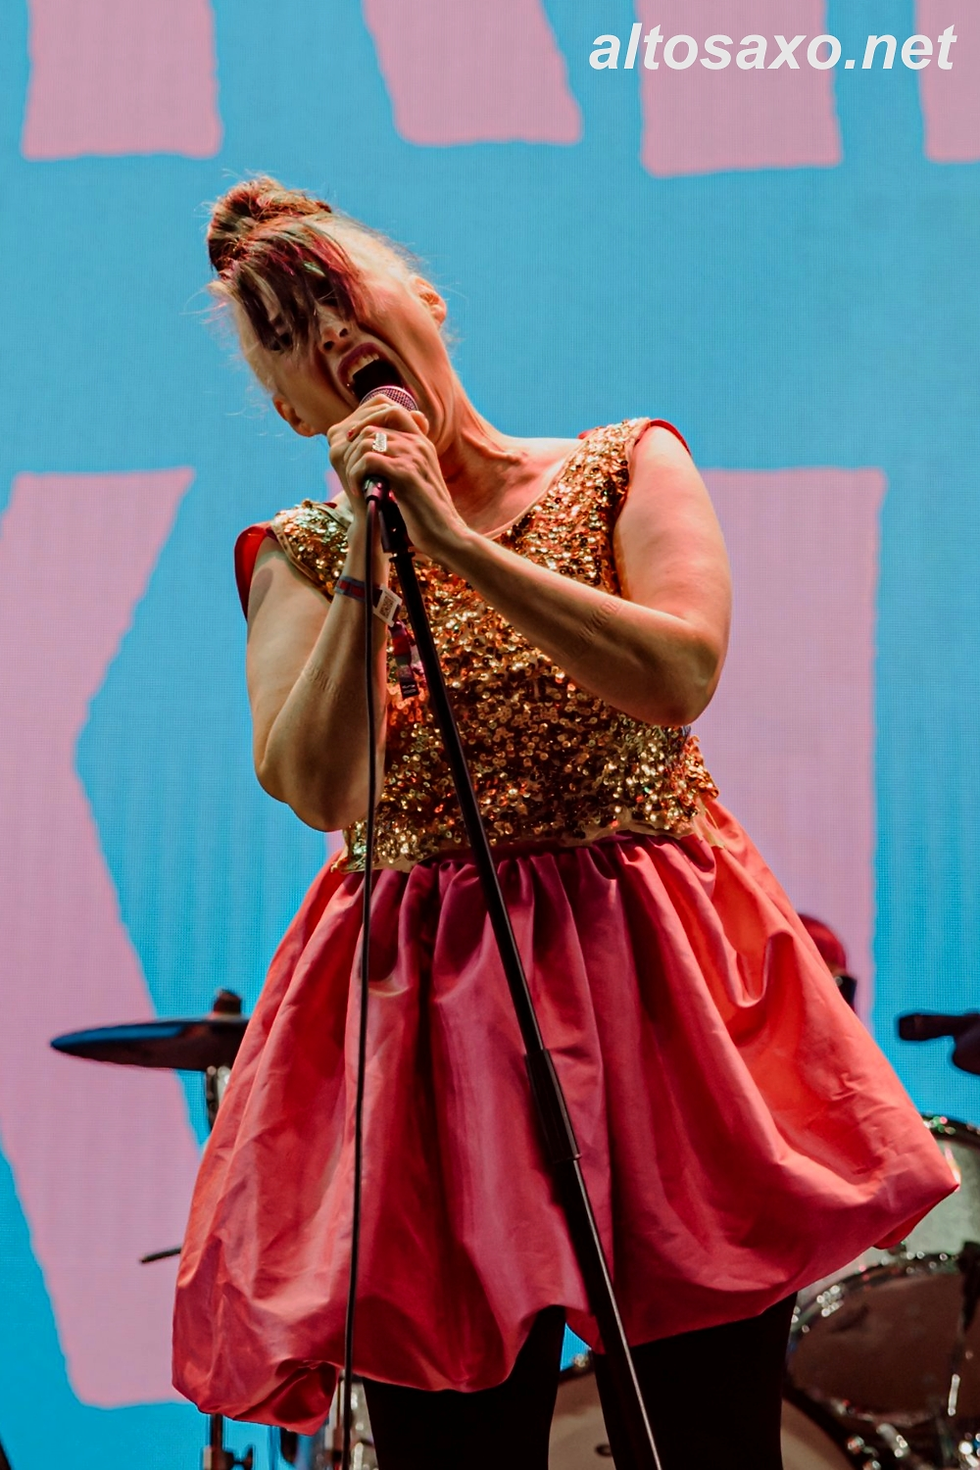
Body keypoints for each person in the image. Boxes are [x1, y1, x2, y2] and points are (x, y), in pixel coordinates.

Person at [172, 177, 955, 1470]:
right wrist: (381, 551)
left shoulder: (626, 463)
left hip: (660, 1000)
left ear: (426, 307)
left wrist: (459, 541)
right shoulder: (305, 556)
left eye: (340, 300)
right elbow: (324, 785)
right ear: (287, 408)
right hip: (426, 1030)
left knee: (709, 1437)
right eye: (287, 339)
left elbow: (679, 670)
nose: (324, 342)